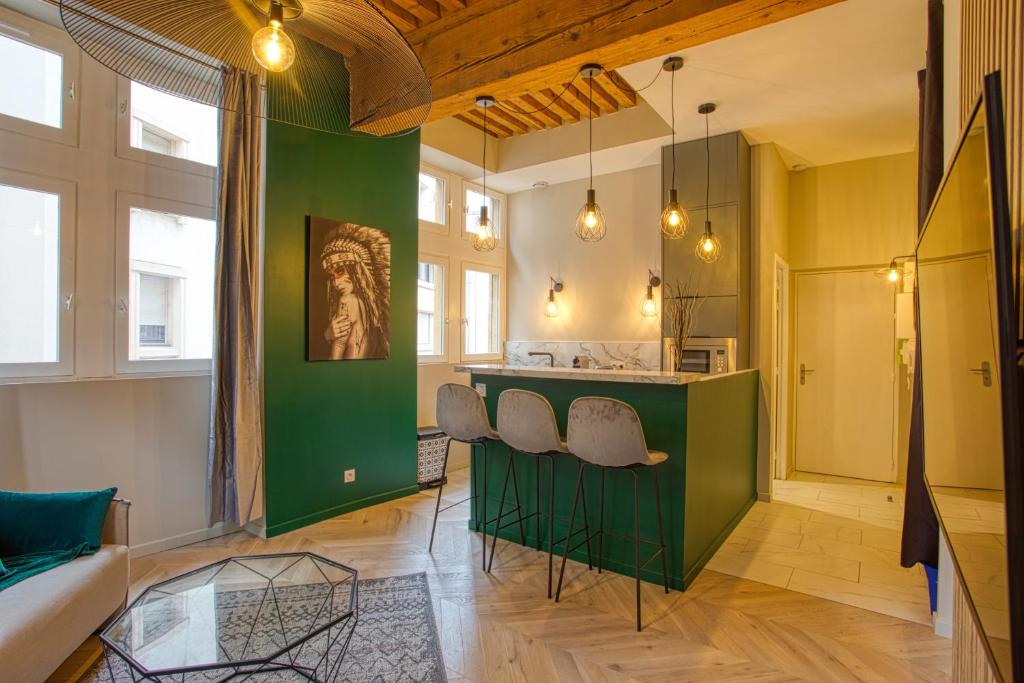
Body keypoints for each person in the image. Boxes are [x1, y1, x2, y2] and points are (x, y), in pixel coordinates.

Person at [320, 229, 389, 359]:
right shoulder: (372, 310)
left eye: (340, 271)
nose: (336, 282)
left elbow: (336, 353)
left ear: (356, 271)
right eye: (331, 276)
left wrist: (328, 335)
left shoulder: (347, 301)